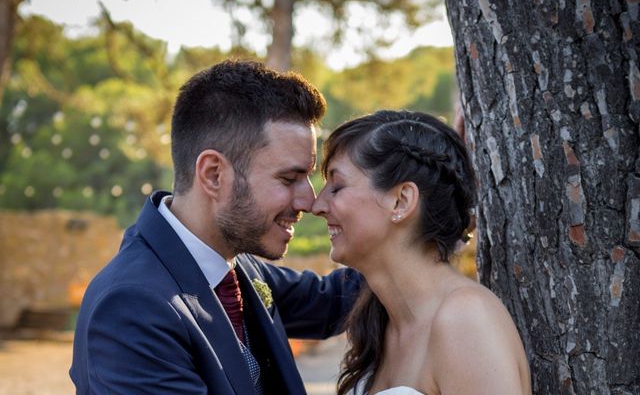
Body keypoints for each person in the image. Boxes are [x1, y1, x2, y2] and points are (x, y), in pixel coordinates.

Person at [70, 60, 360, 394]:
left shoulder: (236, 266)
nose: (308, 201)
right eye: (289, 178)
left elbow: (332, 302)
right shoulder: (130, 308)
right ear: (213, 174)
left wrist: (415, 229)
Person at [312, 110, 531, 395]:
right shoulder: (383, 320)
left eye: (337, 186)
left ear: (401, 201)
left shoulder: (466, 321)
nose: (316, 205)